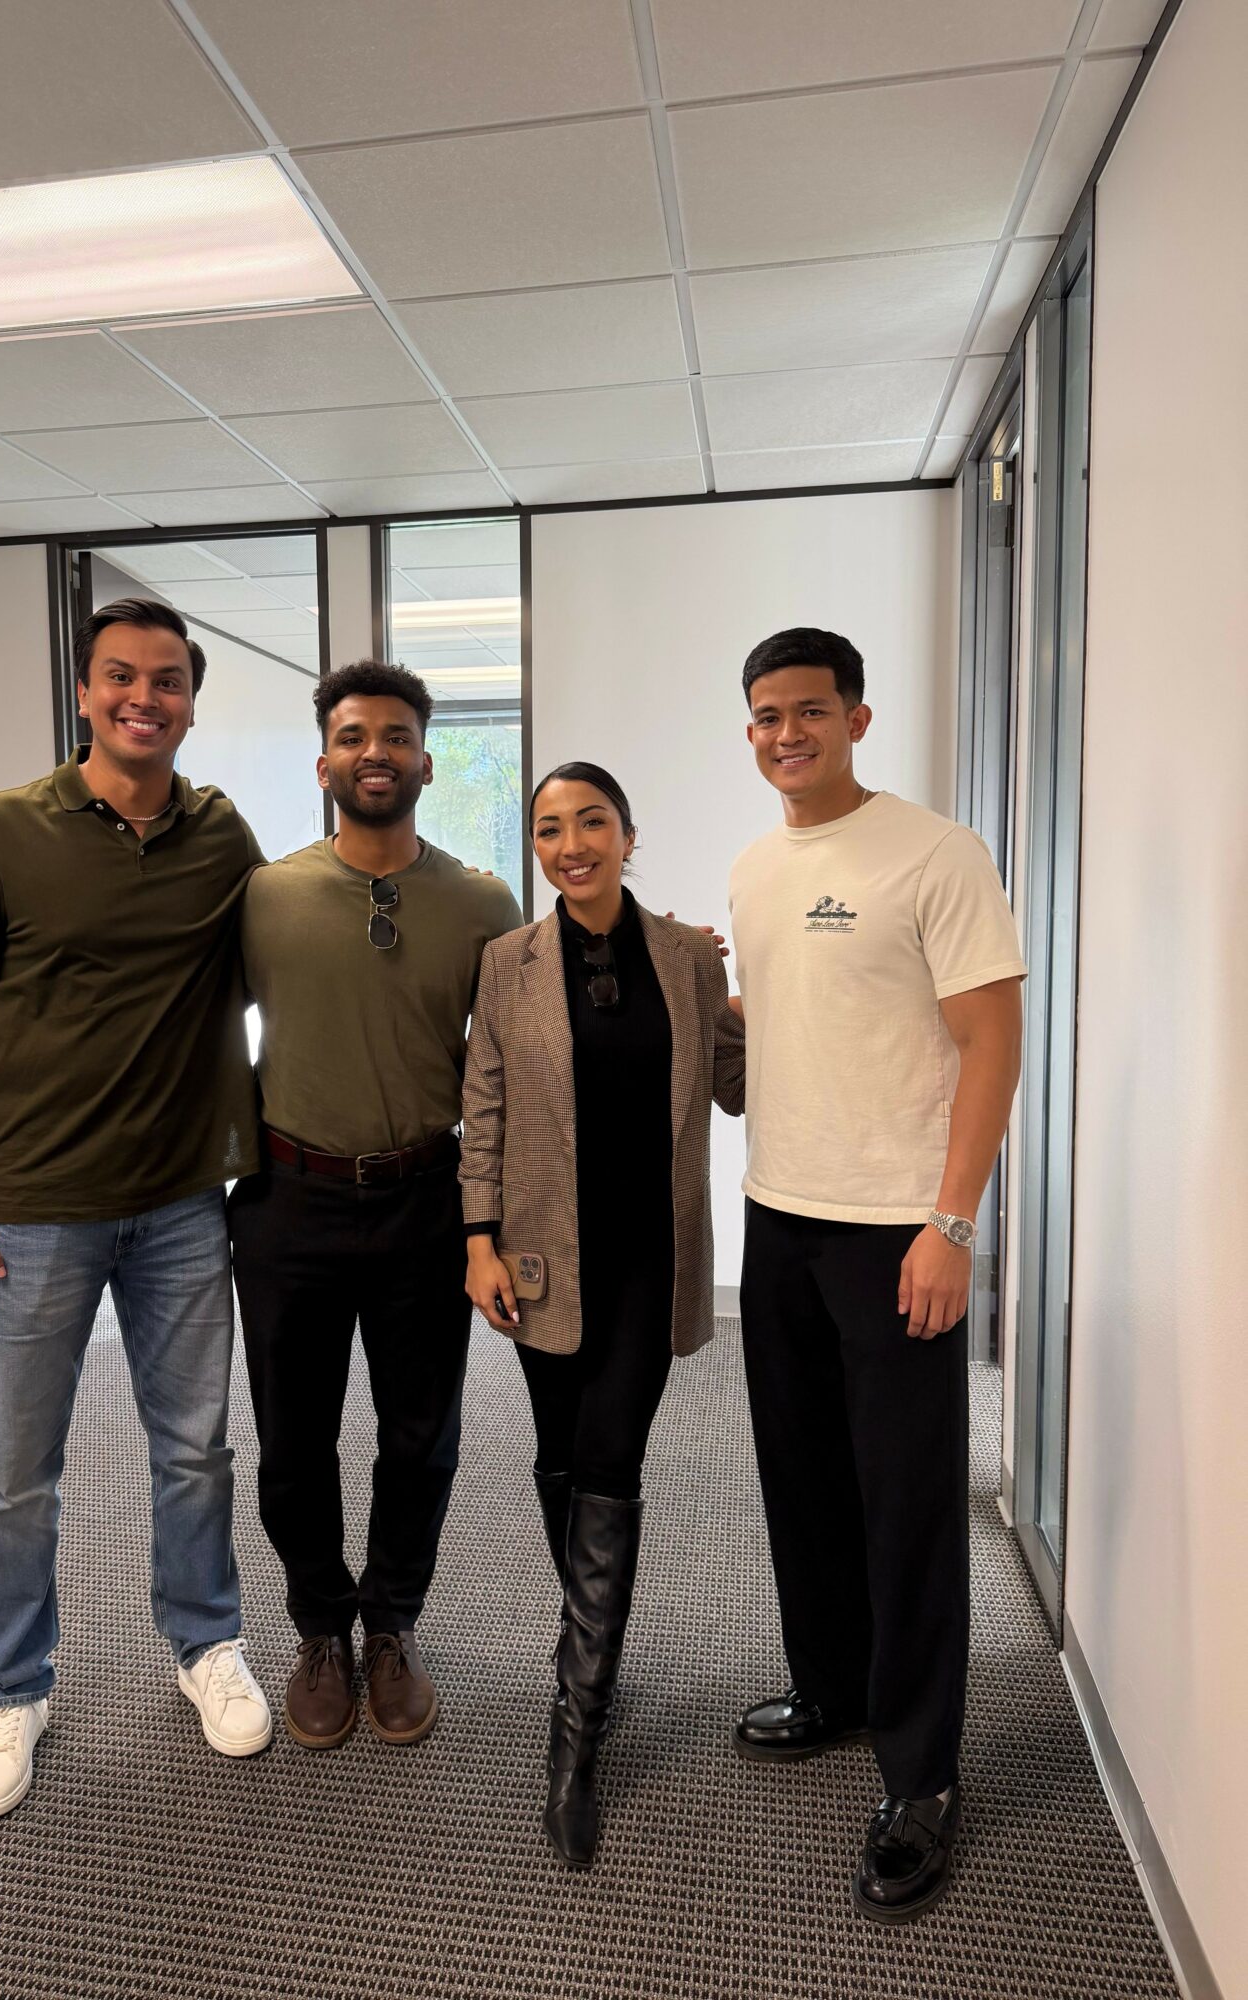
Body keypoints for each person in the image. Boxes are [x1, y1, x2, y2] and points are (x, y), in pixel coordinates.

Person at [0, 597, 273, 1821]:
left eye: (166, 680)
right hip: (33, 1208)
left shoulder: (222, 836)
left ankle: (205, 1640)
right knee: (16, 1470)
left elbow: (307, 942)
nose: (143, 698)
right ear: (83, 691)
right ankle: (11, 1687)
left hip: (183, 1203)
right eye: (121, 676)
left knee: (196, 1449)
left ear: (191, 701)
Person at [727, 626, 1025, 1922]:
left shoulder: (935, 854)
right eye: (765, 715)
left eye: (808, 710)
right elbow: (792, 1019)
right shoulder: (755, 867)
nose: (785, 733)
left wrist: (952, 1224)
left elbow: (993, 1040)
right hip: (778, 1219)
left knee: (907, 1507)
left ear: (856, 717)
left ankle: (921, 1775)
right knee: (804, 1482)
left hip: (897, 1230)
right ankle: (835, 1687)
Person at [229, 660, 523, 1752]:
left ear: (427, 762)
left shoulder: (482, 905)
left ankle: (391, 1622)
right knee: (291, 1440)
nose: (375, 753)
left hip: (424, 1202)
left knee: (421, 1436)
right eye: (354, 736)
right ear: (324, 764)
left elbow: (519, 1057)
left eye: (396, 736)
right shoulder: (264, 897)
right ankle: (320, 1628)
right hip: (288, 1200)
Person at [461, 763, 745, 1869]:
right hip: (542, 1258)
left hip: (647, 1261)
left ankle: (574, 1735)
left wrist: (775, 988)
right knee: (560, 1457)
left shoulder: (689, 957)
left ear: (630, 835)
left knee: (609, 1459)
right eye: (550, 828)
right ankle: (593, 1653)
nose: (571, 844)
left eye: (591, 823)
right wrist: (478, 1239)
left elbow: (736, 1082)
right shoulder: (508, 964)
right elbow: (484, 1106)